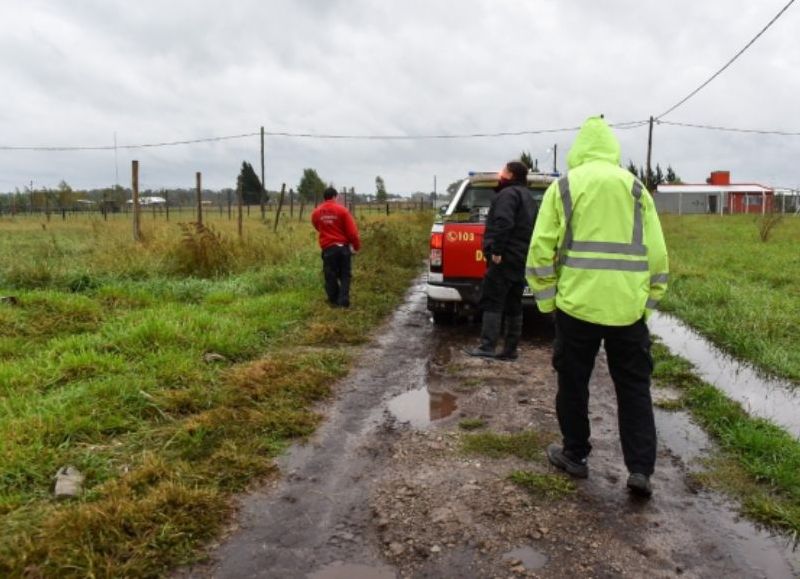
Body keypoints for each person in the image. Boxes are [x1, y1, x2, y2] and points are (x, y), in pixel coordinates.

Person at [526, 116, 668, 498]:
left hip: (577, 307)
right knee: (635, 388)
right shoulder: (637, 188)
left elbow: (541, 249)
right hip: (628, 310)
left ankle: (575, 456)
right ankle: (640, 470)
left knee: (573, 383)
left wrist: (547, 302)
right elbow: (657, 253)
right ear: (612, 149)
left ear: (579, 149)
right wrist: (647, 305)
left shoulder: (566, 186)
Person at [466, 160, 538, 360]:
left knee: (493, 300)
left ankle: (487, 347)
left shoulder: (507, 195)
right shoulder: (528, 197)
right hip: (521, 258)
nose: (500, 174)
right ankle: (510, 350)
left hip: (504, 258)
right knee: (514, 303)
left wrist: (496, 251)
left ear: (511, 175)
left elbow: (504, 222)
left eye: (503, 171)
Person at [311, 187, 361, 308]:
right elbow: (352, 233)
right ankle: (343, 301)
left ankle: (333, 300)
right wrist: (356, 246)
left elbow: (317, 226)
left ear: (324, 197)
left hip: (328, 249)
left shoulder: (316, 212)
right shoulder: (343, 210)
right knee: (345, 275)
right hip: (343, 248)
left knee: (330, 275)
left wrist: (327, 232)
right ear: (335, 196)